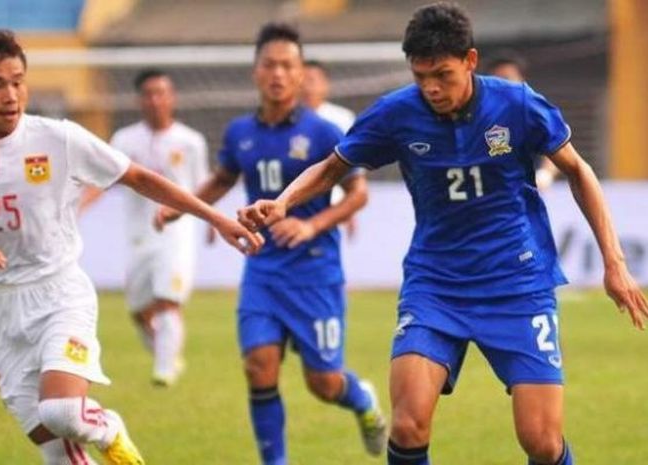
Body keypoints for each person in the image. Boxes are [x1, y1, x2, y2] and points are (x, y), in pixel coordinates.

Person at [238, 4, 648, 465]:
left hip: (516, 287)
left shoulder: (516, 105)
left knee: (542, 441)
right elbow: (334, 166)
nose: (431, 87)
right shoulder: (396, 113)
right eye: (420, 76)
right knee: (409, 422)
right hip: (436, 288)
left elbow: (579, 171)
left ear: (470, 61)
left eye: (443, 74)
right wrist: (284, 201)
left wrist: (614, 263)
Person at [0, 30, 262, 465]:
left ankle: (109, 427)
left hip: (59, 294)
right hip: (1, 309)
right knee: (57, 453)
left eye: (18, 81)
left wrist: (217, 218)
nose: (11, 94)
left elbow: (140, 178)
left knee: (62, 412)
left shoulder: (57, 137)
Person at [156, 22, 387, 465]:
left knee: (323, 383)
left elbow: (359, 193)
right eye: (270, 65)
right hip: (262, 268)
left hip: (315, 271)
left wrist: (310, 225)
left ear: (301, 75)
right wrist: (180, 207)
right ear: (255, 72)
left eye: (288, 66)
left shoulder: (324, 133)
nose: (278, 74)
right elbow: (223, 178)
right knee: (258, 366)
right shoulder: (240, 131)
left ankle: (362, 400)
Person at [83, 69, 210, 387]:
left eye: (161, 92)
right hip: (139, 236)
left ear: (172, 98)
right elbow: (104, 179)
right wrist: (79, 206)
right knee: (139, 310)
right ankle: (167, 355)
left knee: (168, 299)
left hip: (177, 234)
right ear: (140, 100)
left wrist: (212, 221)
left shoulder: (190, 141)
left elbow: (204, 185)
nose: (155, 100)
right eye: (149, 93)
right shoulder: (124, 140)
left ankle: (164, 371)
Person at [486, 52, 560, 190]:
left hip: (526, 192)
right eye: (496, 80)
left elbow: (557, 149)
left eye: (507, 79)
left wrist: (545, 174)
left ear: (522, 80)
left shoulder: (534, 112)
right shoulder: (479, 116)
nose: (502, 86)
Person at [302, 59, 358, 239]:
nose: (306, 87)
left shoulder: (342, 119)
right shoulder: (283, 122)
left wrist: (349, 209)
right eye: (302, 80)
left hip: (332, 208)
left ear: (325, 85)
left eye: (312, 80)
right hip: (293, 207)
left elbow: (354, 172)